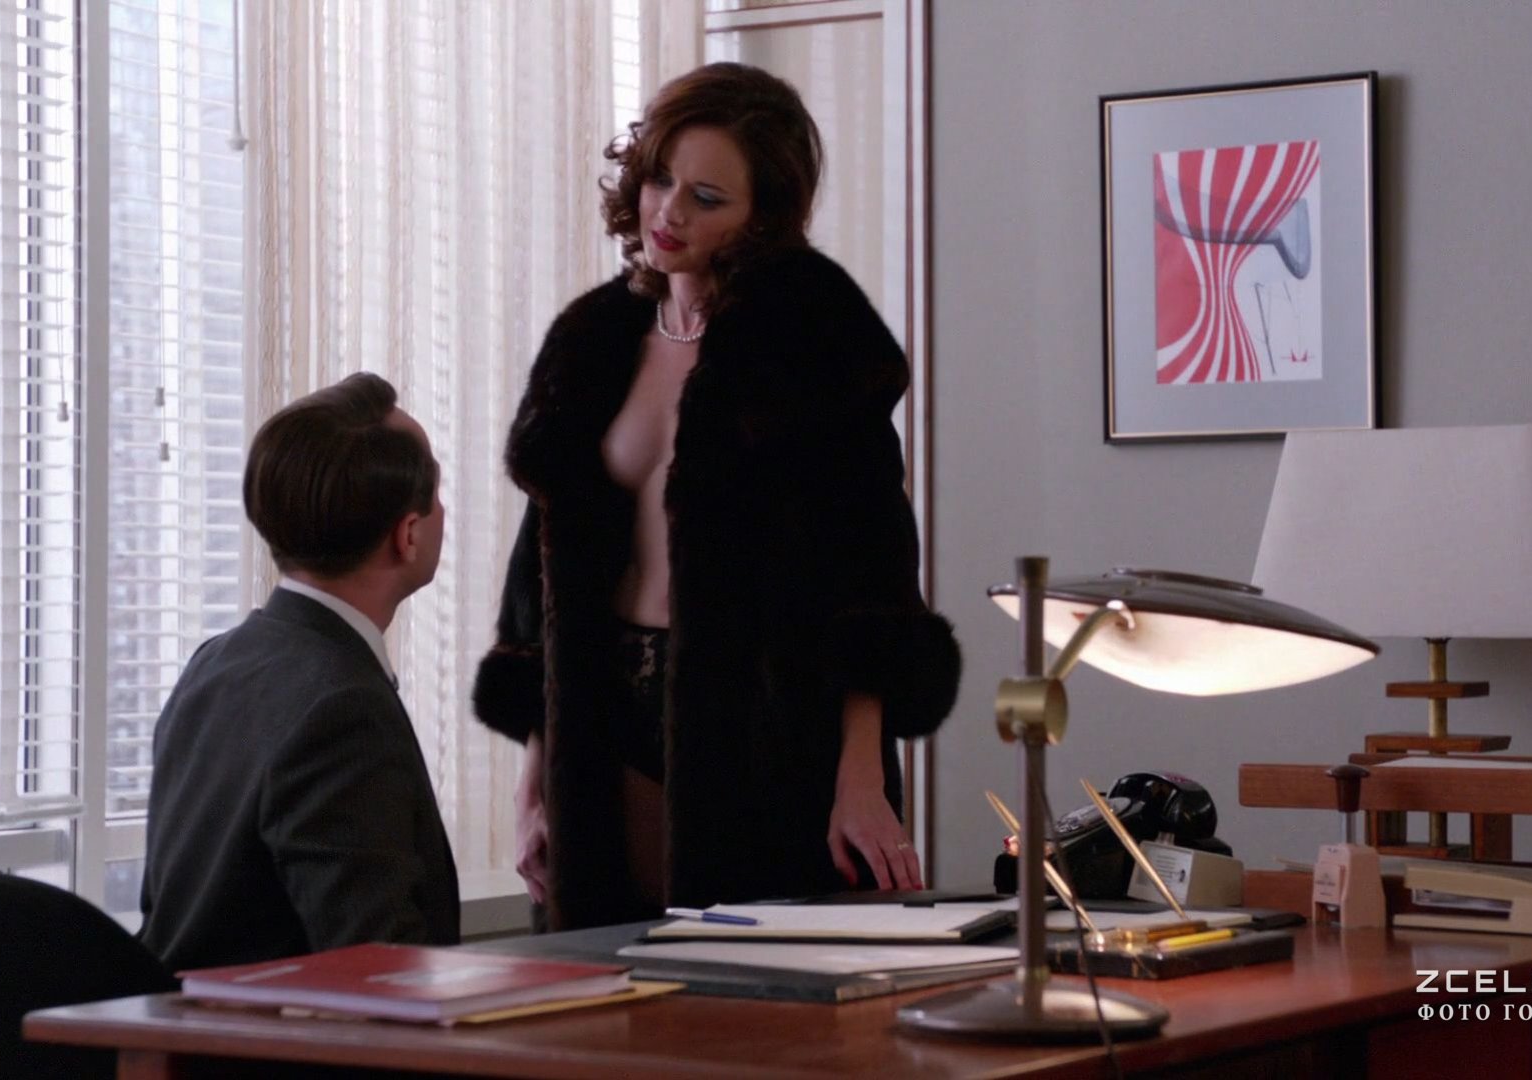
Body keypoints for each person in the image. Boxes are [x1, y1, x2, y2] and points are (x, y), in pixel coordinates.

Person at [471, 63, 961, 931]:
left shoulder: (814, 343)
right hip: (602, 722)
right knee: (604, 982)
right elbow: (542, 577)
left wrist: (862, 780)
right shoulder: (593, 339)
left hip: (767, 725)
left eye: (706, 198)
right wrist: (532, 781)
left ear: (763, 217)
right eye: (660, 178)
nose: (668, 213)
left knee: (745, 985)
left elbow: (875, 583)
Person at [139, 372, 459, 971]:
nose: (443, 510)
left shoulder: (216, 663)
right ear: (408, 535)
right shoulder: (343, 709)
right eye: (436, 493)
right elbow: (378, 968)